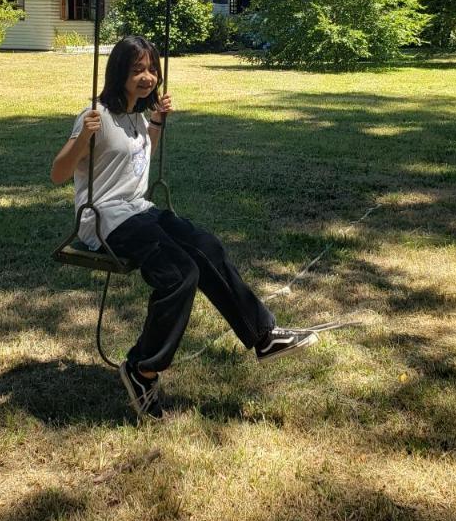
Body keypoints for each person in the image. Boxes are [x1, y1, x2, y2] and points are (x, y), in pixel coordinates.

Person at [51, 35, 317, 420]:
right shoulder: (96, 115)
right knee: (179, 273)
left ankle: (263, 337)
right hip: (105, 220)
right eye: (137, 69)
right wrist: (82, 139)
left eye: (151, 69)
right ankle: (143, 369)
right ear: (119, 72)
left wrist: (156, 121)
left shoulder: (137, 114)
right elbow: (59, 173)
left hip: (138, 210)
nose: (147, 77)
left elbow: (140, 161)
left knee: (206, 245)